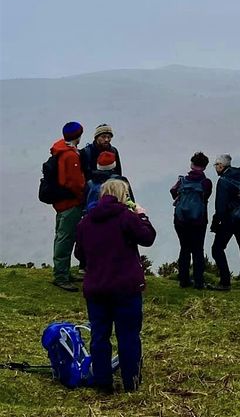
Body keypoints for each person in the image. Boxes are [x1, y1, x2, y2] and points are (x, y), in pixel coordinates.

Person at [73, 178, 156, 394]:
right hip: (126, 287)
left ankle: (103, 382)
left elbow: (79, 254)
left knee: (100, 335)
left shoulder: (85, 222)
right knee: (128, 334)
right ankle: (132, 381)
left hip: (96, 288)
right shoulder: (126, 217)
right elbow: (148, 238)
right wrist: (142, 215)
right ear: (123, 196)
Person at [211, 154, 240, 292]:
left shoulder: (224, 181)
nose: (215, 168)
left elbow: (220, 206)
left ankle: (225, 282)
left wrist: (216, 222)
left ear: (221, 166)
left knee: (217, 249)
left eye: (216, 165)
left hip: (229, 220)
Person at [49, 122, 87, 291]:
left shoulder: (60, 150)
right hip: (70, 202)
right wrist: (82, 197)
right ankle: (61, 276)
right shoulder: (70, 156)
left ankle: (63, 271)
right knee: (65, 237)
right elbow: (74, 182)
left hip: (61, 202)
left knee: (63, 235)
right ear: (78, 135)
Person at [170, 152, 213, 289]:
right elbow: (206, 197)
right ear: (205, 167)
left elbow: (173, 192)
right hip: (199, 220)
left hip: (181, 220)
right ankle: (199, 282)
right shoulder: (206, 183)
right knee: (198, 250)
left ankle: (184, 281)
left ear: (191, 164)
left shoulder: (182, 181)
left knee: (184, 248)